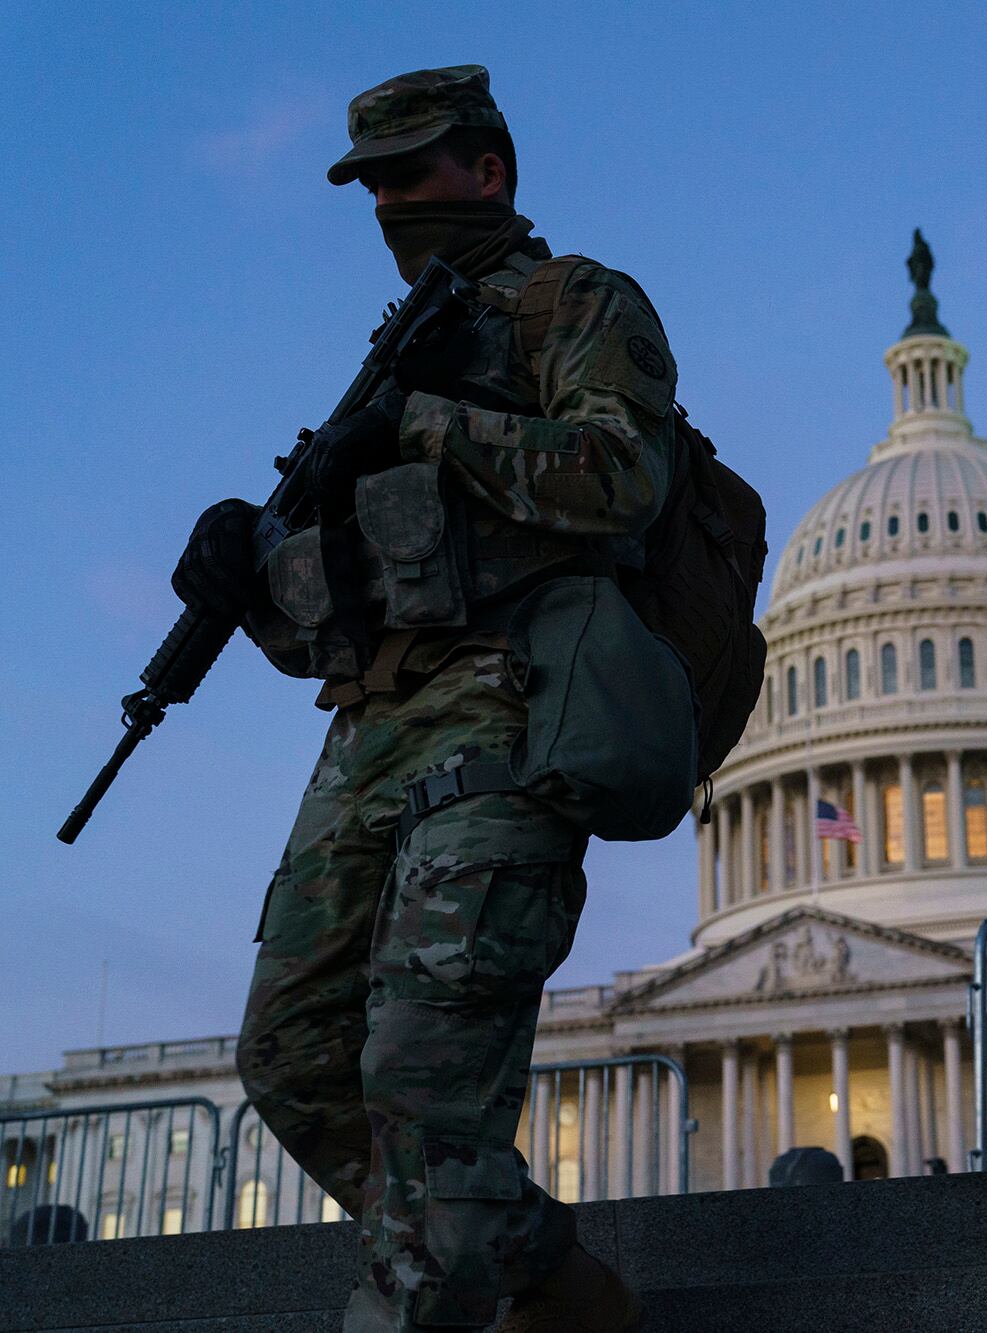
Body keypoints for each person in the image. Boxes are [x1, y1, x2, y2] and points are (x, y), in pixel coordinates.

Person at [171, 66, 682, 1329]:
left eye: (409, 176)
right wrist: (249, 567)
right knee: (290, 1059)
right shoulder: (386, 370)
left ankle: (446, 1278)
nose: (390, 206)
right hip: (371, 733)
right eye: (372, 186)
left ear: (488, 170)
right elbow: (331, 625)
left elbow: (623, 479)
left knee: (421, 1077)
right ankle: (553, 1275)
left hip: (512, 709)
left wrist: (434, 423)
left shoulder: (577, 305)